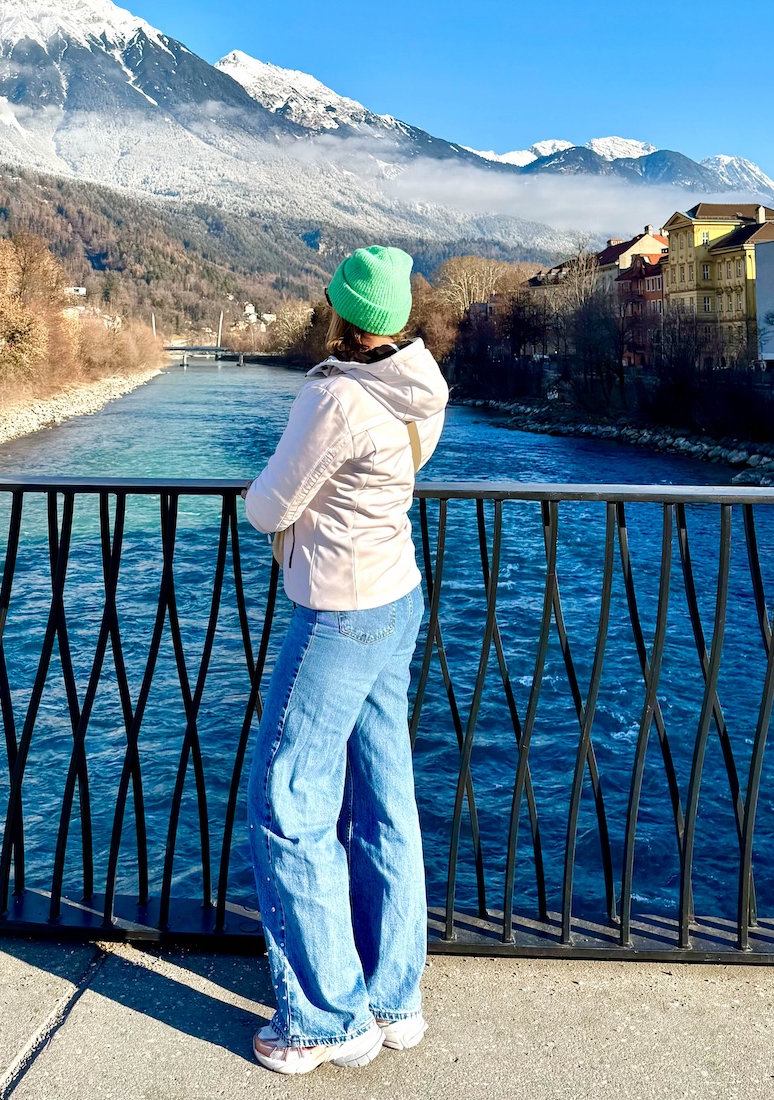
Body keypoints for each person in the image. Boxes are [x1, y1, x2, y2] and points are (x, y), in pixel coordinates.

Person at [244, 244, 448, 1075]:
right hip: (398, 593)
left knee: (287, 803)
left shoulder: (334, 398)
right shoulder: (418, 384)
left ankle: (328, 1019)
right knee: (386, 796)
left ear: (341, 314)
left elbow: (268, 506)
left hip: (340, 610)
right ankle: (394, 999)